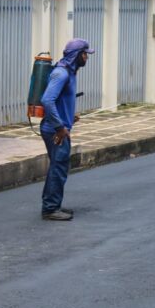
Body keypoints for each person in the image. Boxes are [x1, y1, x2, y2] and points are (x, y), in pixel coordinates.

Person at [39, 38, 94, 221]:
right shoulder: (61, 74)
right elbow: (47, 100)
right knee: (59, 167)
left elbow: (60, 100)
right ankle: (50, 208)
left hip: (58, 127)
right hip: (55, 131)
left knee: (58, 166)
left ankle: (52, 204)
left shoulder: (69, 72)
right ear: (77, 55)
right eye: (85, 54)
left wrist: (69, 117)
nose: (87, 57)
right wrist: (60, 127)